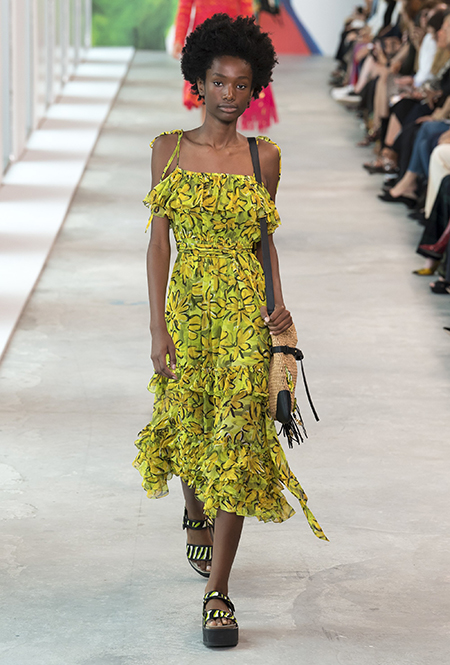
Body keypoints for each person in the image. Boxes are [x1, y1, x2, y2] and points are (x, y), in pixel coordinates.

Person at [133, 13, 327, 649]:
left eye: (242, 85)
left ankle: (218, 591)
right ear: (199, 81)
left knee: (239, 439)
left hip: (245, 316)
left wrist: (280, 309)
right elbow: (158, 243)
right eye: (219, 81)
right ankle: (194, 507)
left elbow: (265, 243)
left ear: (255, 89)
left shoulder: (263, 157)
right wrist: (157, 327)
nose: (229, 94)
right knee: (190, 425)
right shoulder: (167, 150)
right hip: (188, 314)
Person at [172, 0, 278, 130]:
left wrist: (251, 39)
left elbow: (246, 8)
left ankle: (223, 136)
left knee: (229, 92)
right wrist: (178, 39)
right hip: (204, 41)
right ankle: (210, 137)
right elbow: (184, 8)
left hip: (230, 41)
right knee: (207, 93)